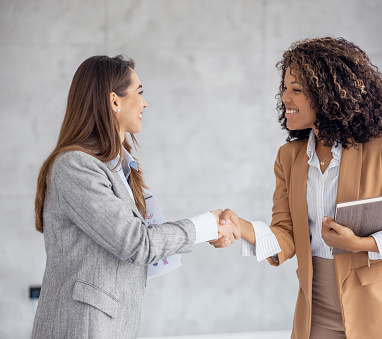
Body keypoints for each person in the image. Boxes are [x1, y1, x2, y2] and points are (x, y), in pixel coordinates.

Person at [211, 37, 382, 339]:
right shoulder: (288, 157)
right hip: (315, 311)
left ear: (328, 95)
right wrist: (242, 227)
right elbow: (287, 236)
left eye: (297, 89)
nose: (285, 98)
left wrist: (360, 244)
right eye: (284, 88)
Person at [32, 55, 239, 339]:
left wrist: (208, 230)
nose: (144, 103)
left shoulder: (121, 167)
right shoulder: (75, 166)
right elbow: (135, 242)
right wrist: (206, 225)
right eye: (139, 92)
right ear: (114, 101)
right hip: (83, 328)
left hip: (113, 325)